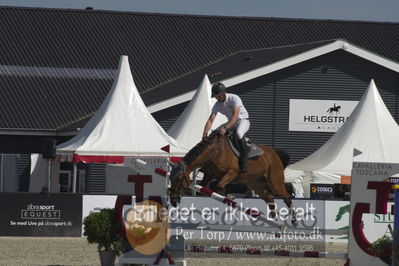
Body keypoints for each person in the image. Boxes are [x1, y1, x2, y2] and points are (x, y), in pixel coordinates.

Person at [202, 82, 250, 173]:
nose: (217, 98)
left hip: (243, 120)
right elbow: (210, 120)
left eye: (218, 96)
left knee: (239, 133)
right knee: (214, 133)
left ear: (224, 93)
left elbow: (235, 116)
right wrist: (205, 133)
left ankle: (244, 162)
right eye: (216, 97)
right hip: (231, 122)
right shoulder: (217, 104)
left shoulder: (234, 98)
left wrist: (225, 128)